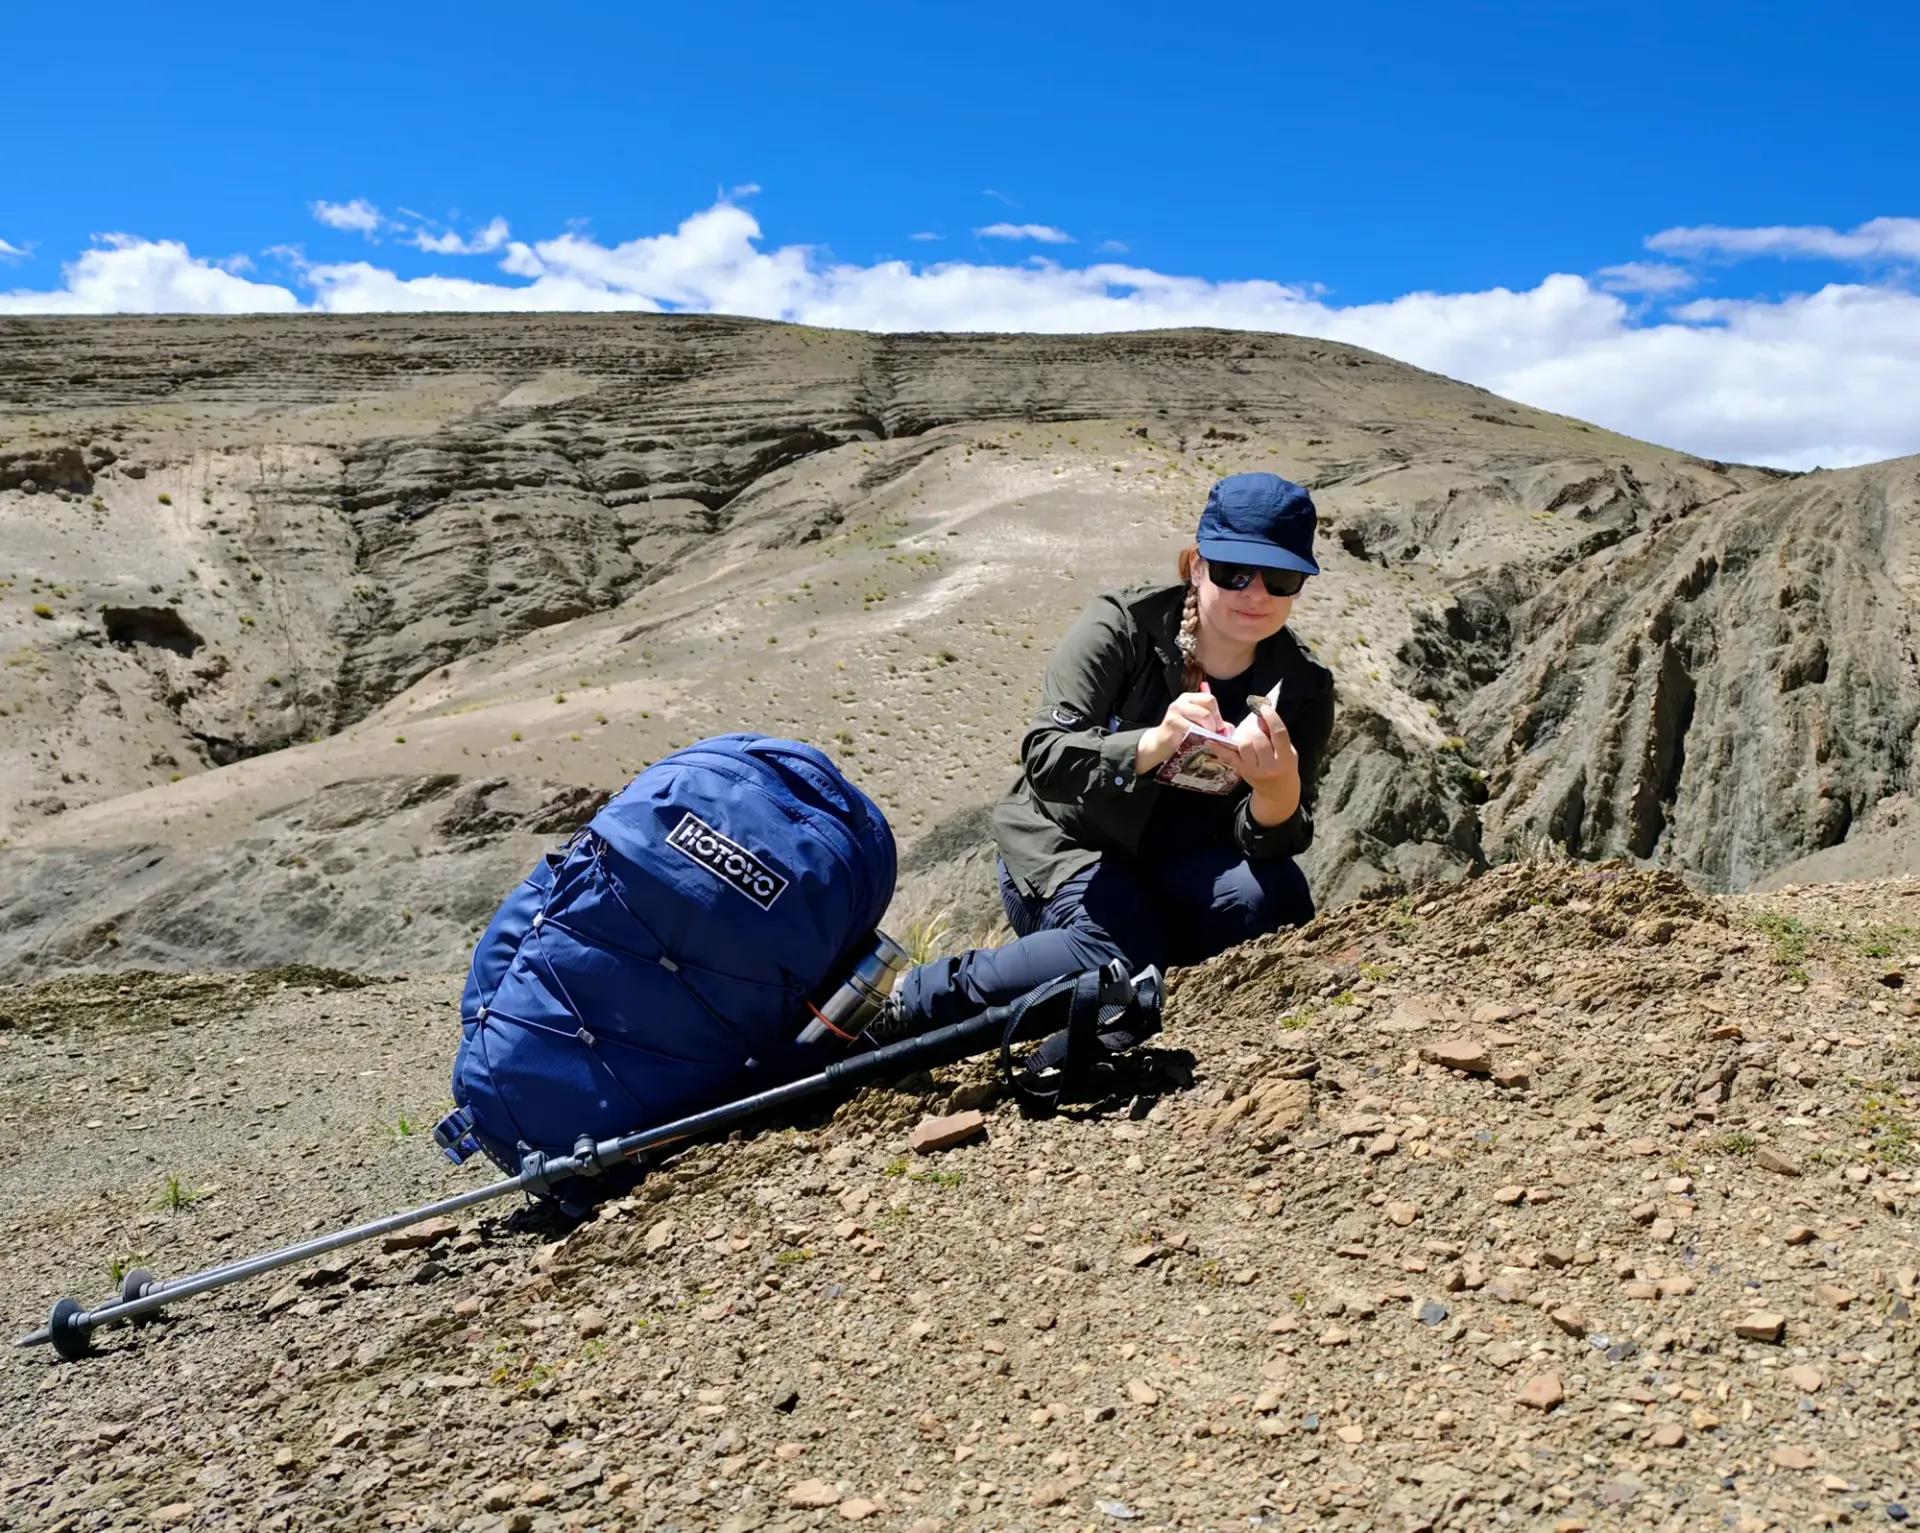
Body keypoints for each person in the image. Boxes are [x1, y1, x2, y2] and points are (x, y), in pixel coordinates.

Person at [885, 470, 1335, 1033]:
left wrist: (1276, 793)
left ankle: (1155, 984)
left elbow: (1271, 839)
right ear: (1197, 564)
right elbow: (1046, 758)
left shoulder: (1303, 687)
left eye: (1281, 577)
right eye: (1234, 571)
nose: (1257, 592)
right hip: (1070, 848)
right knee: (1118, 955)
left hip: (1182, 862)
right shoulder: (1122, 628)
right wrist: (1151, 744)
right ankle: (911, 1001)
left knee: (1277, 901)